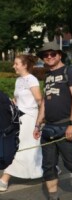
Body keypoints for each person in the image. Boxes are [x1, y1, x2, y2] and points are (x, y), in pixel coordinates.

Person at [35, 42, 72, 200]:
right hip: (48, 127)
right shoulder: (48, 76)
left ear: (59, 55)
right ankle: (54, 197)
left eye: (52, 54)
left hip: (65, 125)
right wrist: (37, 123)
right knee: (48, 166)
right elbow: (44, 101)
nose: (49, 57)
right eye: (45, 55)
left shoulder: (70, 72)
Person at [0, 55, 43, 192]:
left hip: (30, 118)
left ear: (24, 65)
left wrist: (40, 120)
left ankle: (4, 179)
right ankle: (50, 167)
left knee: (17, 146)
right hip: (19, 117)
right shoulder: (18, 80)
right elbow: (18, 99)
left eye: (16, 63)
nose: (14, 66)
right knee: (30, 146)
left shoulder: (32, 80)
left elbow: (39, 100)